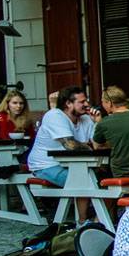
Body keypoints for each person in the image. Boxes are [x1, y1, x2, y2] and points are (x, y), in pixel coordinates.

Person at [27, 86, 100, 220]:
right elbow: (70, 145)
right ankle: (83, 222)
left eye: (86, 101)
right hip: (46, 165)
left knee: (101, 178)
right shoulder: (54, 115)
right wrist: (87, 146)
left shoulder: (86, 119)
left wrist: (98, 123)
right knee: (84, 181)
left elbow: (97, 145)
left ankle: (99, 219)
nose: (87, 104)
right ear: (68, 103)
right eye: (82, 102)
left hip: (75, 164)